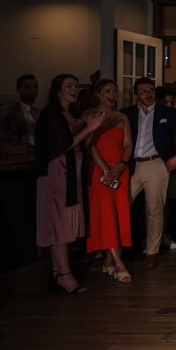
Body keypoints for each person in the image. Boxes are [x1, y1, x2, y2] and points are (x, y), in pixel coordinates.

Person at [35, 74, 105, 293]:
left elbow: (81, 144)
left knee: (64, 222)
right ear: (58, 91)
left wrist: (94, 128)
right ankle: (65, 276)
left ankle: (57, 273)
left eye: (76, 86)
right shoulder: (51, 113)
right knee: (59, 224)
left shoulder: (70, 113)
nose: (74, 89)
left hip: (70, 173)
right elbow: (63, 145)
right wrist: (89, 128)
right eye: (69, 86)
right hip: (56, 174)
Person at [121, 77, 176, 268]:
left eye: (150, 90)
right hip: (132, 166)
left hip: (157, 164)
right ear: (136, 94)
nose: (148, 94)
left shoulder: (166, 112)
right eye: (143, 91)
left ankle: (152, 251)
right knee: (121, 206)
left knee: (155, 210)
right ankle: (115, 252)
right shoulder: (126, 113)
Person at [84, 79, 133, 282]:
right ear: (98, 93)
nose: (112, 94)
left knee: (120, 214)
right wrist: (105, 169)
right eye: (107, 91)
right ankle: (119, 264)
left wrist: (121, 165)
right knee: (105, 215)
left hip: (120, 169)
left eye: (114, 91)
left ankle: (108, 261)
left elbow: (128, 145)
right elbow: (89, 145)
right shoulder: (89, 115)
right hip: (99, 172)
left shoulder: (122, 117)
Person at [0, 74, 40, 145]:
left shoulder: (42, 112)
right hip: (17, 153)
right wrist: (12, 133)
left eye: (35, 87)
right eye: (27, 87)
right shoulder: (5, 111)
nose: (32, 90)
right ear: (18, 89)